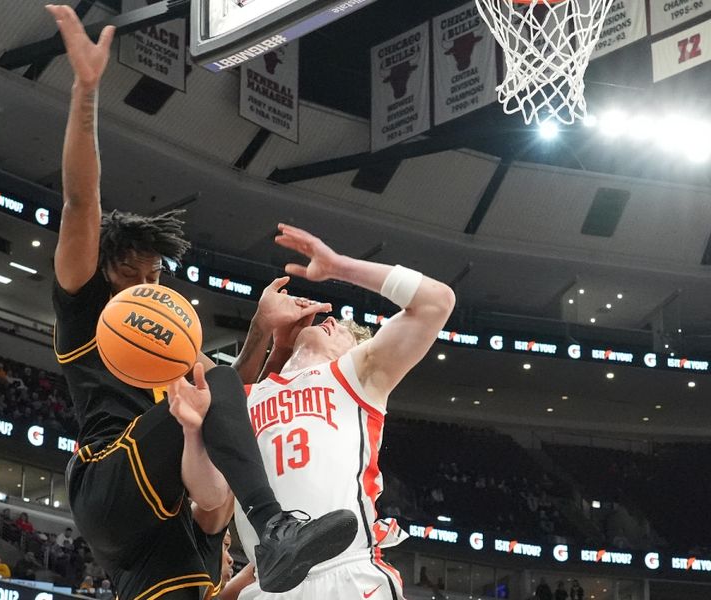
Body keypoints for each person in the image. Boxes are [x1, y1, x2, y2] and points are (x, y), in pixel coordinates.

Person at [45, 5, 356, 599]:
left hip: (161, 519)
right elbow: (81, 203)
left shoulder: (173, 341)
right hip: (109, 478)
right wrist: (86, 91)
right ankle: (273, 527)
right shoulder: (85, 304)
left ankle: (272, 535)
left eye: (156, 273)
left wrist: (263, 331)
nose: (148, 284)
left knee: (212, 398)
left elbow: (227, 397)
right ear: (106, 270)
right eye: (132, 272)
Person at [233, 224, 456, 600]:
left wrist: (339, 267)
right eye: (329, 323)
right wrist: (269, 336)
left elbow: (437, 302)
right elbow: (215, 406)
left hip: (348, 572)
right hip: (268, 585)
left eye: (342, 331)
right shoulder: (250, 395)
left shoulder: (354, 375)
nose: (329, 321)